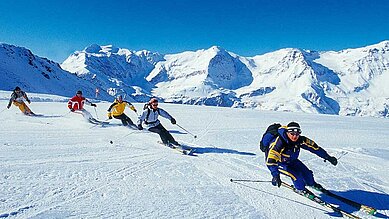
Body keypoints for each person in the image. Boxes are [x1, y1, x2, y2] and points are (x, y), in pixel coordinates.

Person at [266, 122, 338, 195]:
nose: (295, 136)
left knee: (308, 174)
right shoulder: (279, 142)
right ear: (287, 132)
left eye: (297, 134)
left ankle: (311, 183)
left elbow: (315, 148)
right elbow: (271, 160)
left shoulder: (301, 140)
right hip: (278, 163)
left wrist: (328, 157)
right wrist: (275, 175)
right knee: (296, 176)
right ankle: (300, 189)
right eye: (292, 134)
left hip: (292, 160)